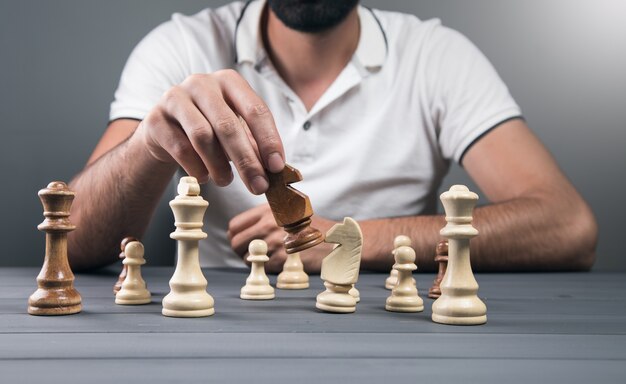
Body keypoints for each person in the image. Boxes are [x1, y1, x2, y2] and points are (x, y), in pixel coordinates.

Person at [67, 0, 597, 273]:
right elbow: (70, 244)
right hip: (222, 315)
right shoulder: (181, 46)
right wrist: (148, 149)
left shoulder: (438, 56)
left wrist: (351, 240)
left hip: (384, 325)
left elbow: (568, 226)